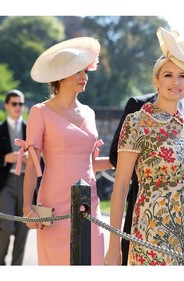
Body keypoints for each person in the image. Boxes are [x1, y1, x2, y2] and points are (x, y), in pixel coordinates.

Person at [108, 34, 184, 264]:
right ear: (156, 81)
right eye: (168, 75)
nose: (175, 82)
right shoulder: (136, 122)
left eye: (182, 76)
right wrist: (114, 247)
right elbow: (119, 189)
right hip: (150, 232)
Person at [15, 37, 113, 265]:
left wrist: (120, 160)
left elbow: (90, 164)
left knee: (93, 262)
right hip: (54, 204)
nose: (84, 77)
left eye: (85, 71)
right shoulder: (40, 112)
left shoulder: (90, 113)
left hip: (90, 203)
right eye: (77, 72)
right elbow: (32, 163)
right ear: (60, 76)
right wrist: (27, 207)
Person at [0, 90, 29, 265]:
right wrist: (5, 158)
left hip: (26, 181)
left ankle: (16, 270)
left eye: (20, 103)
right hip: (6, 183)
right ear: (6, 106)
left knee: (24, 228)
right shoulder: (0, 129)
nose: (18, 107)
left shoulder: (30, 128)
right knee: (7, 226)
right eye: (14, 104)